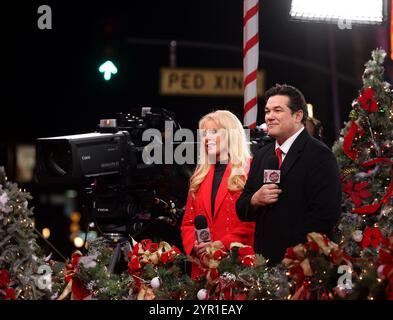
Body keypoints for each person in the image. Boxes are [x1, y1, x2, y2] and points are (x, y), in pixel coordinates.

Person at [236, 84, 341, 266]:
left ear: (298, 115)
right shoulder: (262, 155)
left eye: (278, 110)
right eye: (267, 111)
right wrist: (255, 199)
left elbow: (325, 215)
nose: (269, 116)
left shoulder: (320, 155)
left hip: (302, 264)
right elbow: (241, 207)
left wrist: (294, 254)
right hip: (263, 264)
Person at [181, 110, 255, 276]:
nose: (206, 138)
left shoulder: (250, 169)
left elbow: (253, 222)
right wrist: (196, 244)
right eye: (204, 134)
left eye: (213, 132)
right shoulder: (199, 176)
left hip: (237, 265)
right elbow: (188, 223)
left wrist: (222, 244)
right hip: (203, 267)